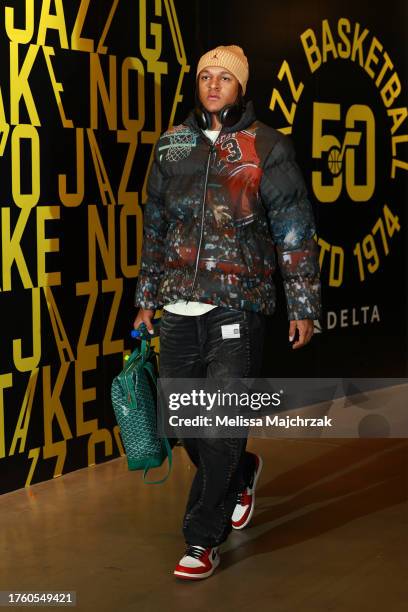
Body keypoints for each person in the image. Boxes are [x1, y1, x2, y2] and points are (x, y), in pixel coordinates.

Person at [133, 45, 321, 580]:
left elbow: (294, 229)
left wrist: (302, 304)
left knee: (217, 423)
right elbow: (155, 227)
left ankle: (200, 540)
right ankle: (241, 471)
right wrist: (147, 297)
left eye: (225, 78)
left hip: (237, 305)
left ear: (241, 87)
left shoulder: (268, 145)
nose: (213, 85)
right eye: (205, 77)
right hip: (176, 306)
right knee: (188, 421)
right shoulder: (172, 145)